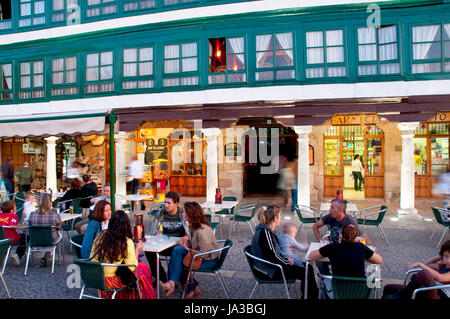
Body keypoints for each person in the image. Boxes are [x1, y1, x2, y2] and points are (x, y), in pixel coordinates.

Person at [250, 204, 318, 299]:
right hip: (270, 269)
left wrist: (287, 250)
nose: (281, 218)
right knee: (306, 271)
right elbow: (272, 255)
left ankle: (309, 295)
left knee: (308, 267)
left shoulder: (266, 230)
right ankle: (311, 296)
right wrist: (287, 262)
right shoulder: (265, 233)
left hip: (273, 265)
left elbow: (273, 249)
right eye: (280, 216)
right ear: (275, 218)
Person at [89, 210, 155, 299]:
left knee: (134, 271)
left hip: (94, 277)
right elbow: (132, 267)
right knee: (143, 269)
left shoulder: (100, 235)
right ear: (126, 226)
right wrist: (137, 250)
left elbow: (91, 257)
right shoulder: (126, 242)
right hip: (109, 281)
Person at [162, 201, 219, 298]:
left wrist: (185, 247)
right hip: (200, 256)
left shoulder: (202, 231)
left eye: (184, 212)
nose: (182, 214)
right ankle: (183, 285)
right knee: (177, 251)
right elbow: (195, 244)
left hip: (209, 261)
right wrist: (185, 242)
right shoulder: (194, 226)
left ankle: (184, 286)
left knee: (178, 260)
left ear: (190, 214)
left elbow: (204, 254)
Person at [383, 240, 450, 299]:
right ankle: (402, 294)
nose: (448, 261)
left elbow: (440, 278)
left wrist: (419, 264)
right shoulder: (443, 266)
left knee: (425, 274)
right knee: (388, 288)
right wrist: (440, 255)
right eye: (446, 257)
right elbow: (426, 264)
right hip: (425, 291)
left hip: (439, 296)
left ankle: (402, 295)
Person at [309, 224, 383, 277]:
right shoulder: (361, 247)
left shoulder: (332, 247)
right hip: (360, 292)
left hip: (337, 292)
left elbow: (311, 256)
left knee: (320, 263)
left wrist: (323, 248)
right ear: (356, 236)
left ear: (341, 236)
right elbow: (379, 260)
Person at [146, 191, 187, 285]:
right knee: (149, 251)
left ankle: (174, 279)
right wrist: (156, 233)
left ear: (176, 204)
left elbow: (189, 232)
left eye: (169, 203)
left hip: (179, 245)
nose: (166, 205)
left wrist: (185, 237)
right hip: (165, 244)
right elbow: (154, 230)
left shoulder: (182, 214)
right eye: (165, 202)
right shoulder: (162, 213)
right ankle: (161, 278)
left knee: (176, 250)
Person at [26, 193, 62, 267]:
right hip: (51, 240)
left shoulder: (32, 214)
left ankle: (43, 253)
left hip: (35, 240)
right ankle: (48, 252)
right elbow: (59, 227)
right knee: (58, 233)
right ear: (50, 203)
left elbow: (28, 225)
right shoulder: (55, 215)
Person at [0, 200, 26, 266]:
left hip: (1, 239)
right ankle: (17, 255)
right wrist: (22, 227)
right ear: (11, 210)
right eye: (15, 206)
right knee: (25, 238)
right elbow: (12, 225)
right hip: (11, 238)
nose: (16, 207)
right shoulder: (13, 216)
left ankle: (3, 255)